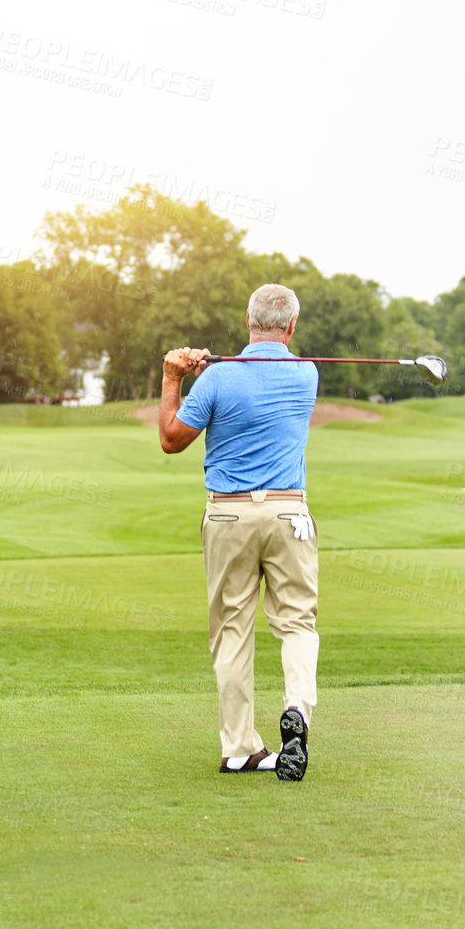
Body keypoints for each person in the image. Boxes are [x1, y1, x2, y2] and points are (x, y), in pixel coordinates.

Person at [159, 283, 320, 780]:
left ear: (247, 321)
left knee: (233, 630)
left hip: (227, 515)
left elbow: (170, 439)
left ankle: (240, 747)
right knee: (296, 622)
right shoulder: (307, 374)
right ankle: (298, 709)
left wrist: (174, 378)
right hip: (289, 514)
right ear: (291, 327)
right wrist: (214, 375)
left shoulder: (217, 380)